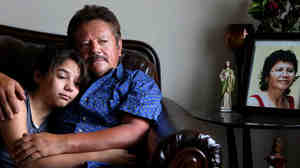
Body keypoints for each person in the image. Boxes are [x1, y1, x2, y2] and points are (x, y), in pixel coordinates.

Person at [0, 5, 162, 168]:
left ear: (119, 47)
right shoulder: (57, 84)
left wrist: (60, 143)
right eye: (85, 44)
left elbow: (134, 130)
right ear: (75, 51)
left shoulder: (137, 81)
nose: (95, 49)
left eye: (103, 41)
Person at [0, 45, 136, 168]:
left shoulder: (56, 122)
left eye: (77, 83)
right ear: (38, 76)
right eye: (62, 76)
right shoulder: (17, 100)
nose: (70, 88)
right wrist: (104, 156)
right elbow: (27, 164)